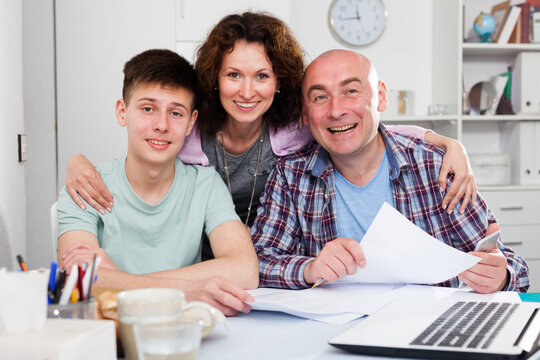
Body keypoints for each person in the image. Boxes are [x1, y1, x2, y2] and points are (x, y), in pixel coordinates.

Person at [63, 12, 477, 261]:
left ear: (279, 82)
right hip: (201, 262)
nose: (247, 92)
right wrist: (78, 161)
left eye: (261, 76)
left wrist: (442, 142)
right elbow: (143, 152)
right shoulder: (188, 132)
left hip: (257, 262)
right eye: (233, 76)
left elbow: (357, 126)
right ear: (214, 79)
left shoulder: (294, 131)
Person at [252, 49, 529, 294]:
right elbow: (259, 262)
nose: (336, 111)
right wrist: (310, 268)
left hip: (426, 333)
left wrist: (501, 276)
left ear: (381, 97)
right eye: (320, 97)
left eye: (351, 91)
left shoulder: (436, 167)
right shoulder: (291, 176)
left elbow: (513, 267)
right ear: (304, 112)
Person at [57, 49, 258, 316]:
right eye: (148, 109)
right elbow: (76, 279)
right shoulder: (85, 186)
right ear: (122, 112)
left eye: (176, 113)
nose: (161, 125)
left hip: (182, 331)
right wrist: (184, 291)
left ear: (190, 123)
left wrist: (118, 281)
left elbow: (245, 270)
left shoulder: (205, 184)